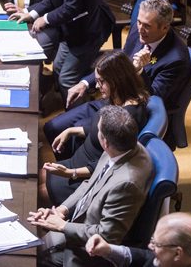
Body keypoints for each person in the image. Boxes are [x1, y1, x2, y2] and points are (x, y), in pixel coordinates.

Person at [43, 0, 190, 148]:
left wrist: (139, 71)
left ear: (165, 27)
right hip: (111, 99)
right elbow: (115, 66)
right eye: (138, 22)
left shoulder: (175, 59)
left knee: (75, 136)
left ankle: (74, 169)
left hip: (129, 114)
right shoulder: (137, 30)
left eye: (146, 25)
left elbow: (152, 99)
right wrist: (85, 83)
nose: (140, 28)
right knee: (52, 127)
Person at [28, 105, 153, 267]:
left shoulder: (126, 184)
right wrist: (62, 210)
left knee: (30, 259)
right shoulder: (124, 146)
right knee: (33, 244)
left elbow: (107, 237)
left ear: (105, 142)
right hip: (79, 223)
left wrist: (63, 226)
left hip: (89, 253)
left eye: (98, 131)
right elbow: (90, 183)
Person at [41, 51, 149, 206]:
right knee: (34, 177)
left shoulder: (126, 117)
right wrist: (70, 130)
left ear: (116, 81)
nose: (97, 86)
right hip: (77, 162)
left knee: (36, 193)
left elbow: (110, 164)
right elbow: (98, 128)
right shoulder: (116, 98)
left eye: (101, 82)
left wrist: (70, 174)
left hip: (87, 177)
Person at [85, 212, 191, 267]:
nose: (150, 246)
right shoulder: (184, 256)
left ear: (177, 253)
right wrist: (108, 250)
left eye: (156, 244)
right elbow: (147, 257)